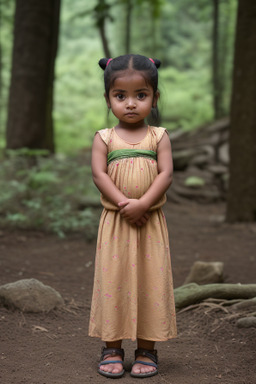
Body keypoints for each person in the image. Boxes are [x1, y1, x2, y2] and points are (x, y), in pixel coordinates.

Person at [89, 54, 177, 379]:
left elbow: (166, 174)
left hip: (150, 223)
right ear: (108, 98)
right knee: (113, 281)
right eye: (120, 96)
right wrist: (126, 203)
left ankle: (147, 349)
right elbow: (99, 175)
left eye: (141, 95)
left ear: (155, 98)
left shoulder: (159, 136)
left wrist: (144, 205)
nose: (130, 104)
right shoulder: (104, 138)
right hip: (116, 223)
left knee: (151, 282)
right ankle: (111, 346)